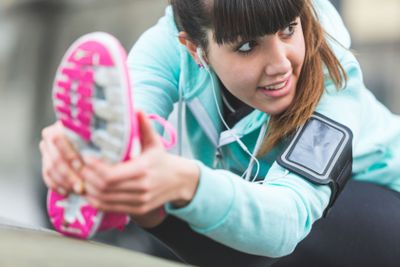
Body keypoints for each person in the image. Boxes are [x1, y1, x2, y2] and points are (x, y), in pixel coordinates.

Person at [39, 0, 400, 266]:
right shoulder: (169, 43)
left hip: (378, 202)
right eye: (247, 46)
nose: (280, 64)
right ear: (195, 48)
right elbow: (128, 125)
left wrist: (185, 184)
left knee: (273, 250)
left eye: (288, 29)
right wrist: (78, 155)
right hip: (258, 199)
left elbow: (287, 220)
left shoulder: (333, 78)